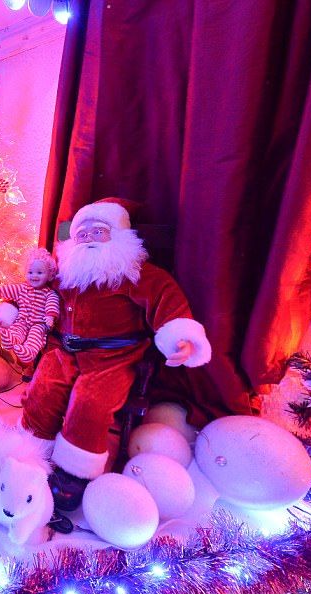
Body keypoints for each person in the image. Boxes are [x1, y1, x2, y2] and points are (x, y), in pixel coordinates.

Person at [20, 198, 212, 525]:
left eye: (99, 231)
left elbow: (166, 301)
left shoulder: (137, 274)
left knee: (90, 400)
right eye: (82, 234)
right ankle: (31, 454)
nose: (89, 239)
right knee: (43, 388)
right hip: (64, 350)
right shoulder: (67, 274)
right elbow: (38, 296)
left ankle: (73, 472)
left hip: (112, 356)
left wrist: (179, 337)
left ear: (120, 236)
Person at [0, 247, 60, 363]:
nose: (34, 276)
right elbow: (7, 290)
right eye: (30, 272)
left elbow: (52, 304)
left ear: (50, 275)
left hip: (38, 323)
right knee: (16, 329)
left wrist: (50, 316)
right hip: (22, 320)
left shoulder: (49, 293)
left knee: (36, 335)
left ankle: (29, 351)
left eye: (39, 273)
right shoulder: (21, 289)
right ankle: (10, 338)